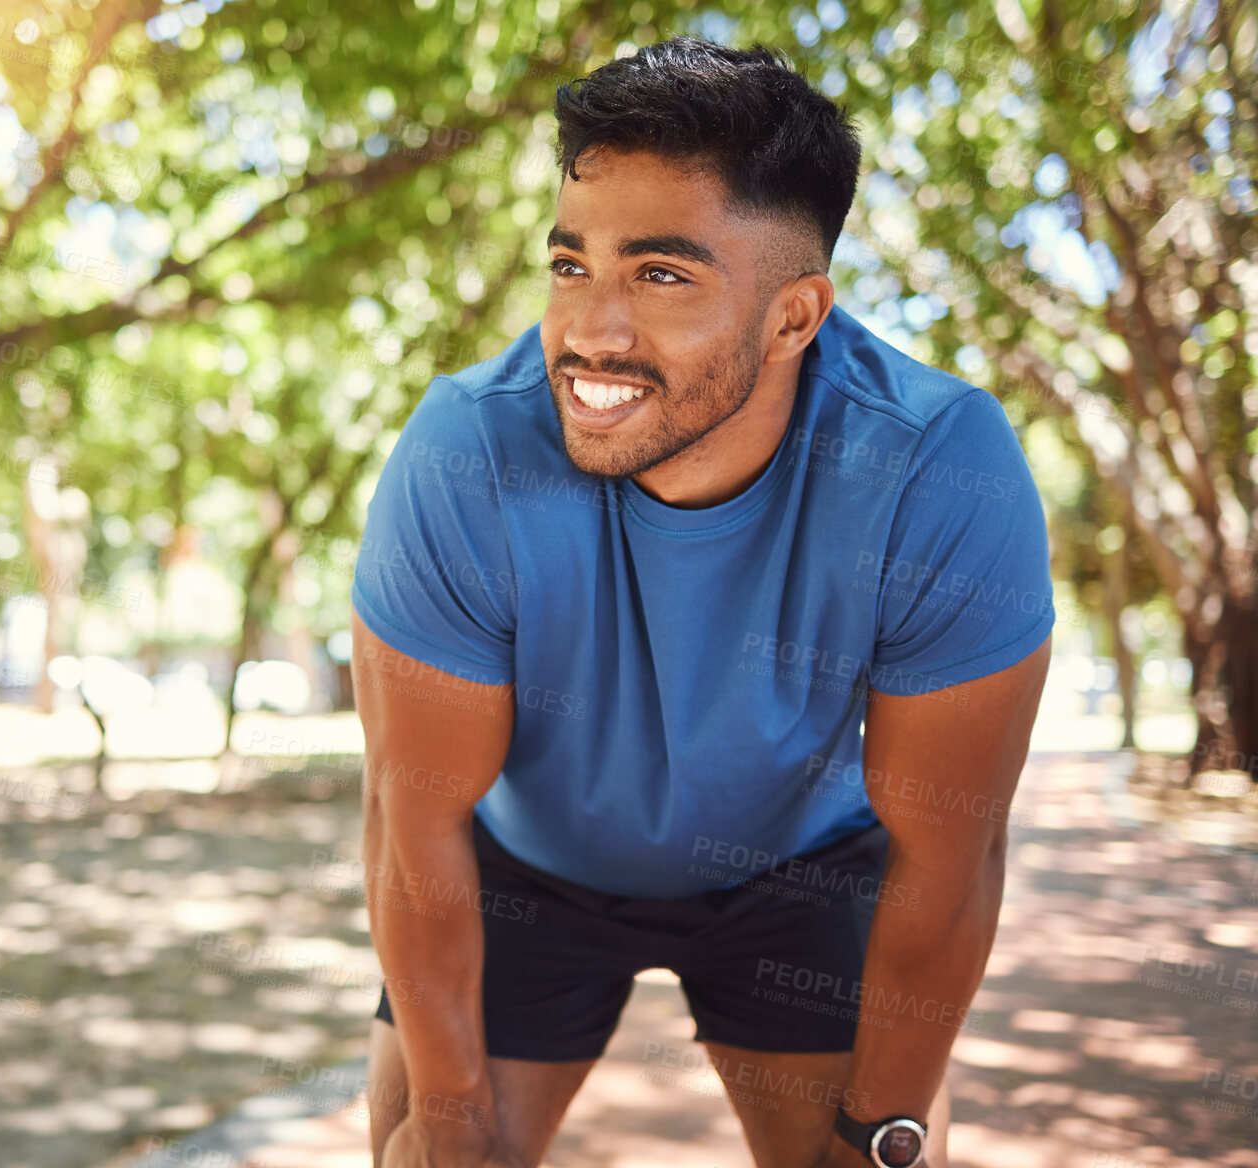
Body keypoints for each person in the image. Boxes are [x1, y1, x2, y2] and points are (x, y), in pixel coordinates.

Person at [349, 35, 1054, 1168]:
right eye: (570, 264)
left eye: (660, 275)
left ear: (793, 318)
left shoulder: (934, 465)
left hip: (798, 870)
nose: (589, 331)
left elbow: (950, 854)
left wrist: (880, 1132)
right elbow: (410, 812)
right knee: (419, 1156)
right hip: (524, 867)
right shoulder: (463, 451)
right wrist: (449, 1118)